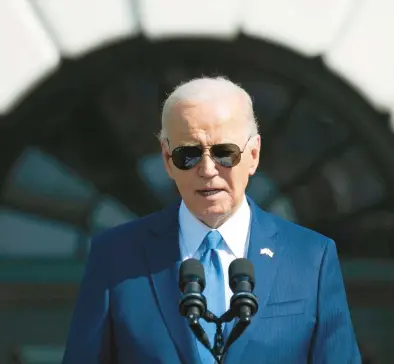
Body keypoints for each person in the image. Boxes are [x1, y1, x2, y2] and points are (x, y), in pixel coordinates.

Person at [62, 77, 361, 364]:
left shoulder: (311, 257)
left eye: (225, 153)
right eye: (188, 155)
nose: (207, 169)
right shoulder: (115, 257)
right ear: (167, 160)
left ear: (253, 155)